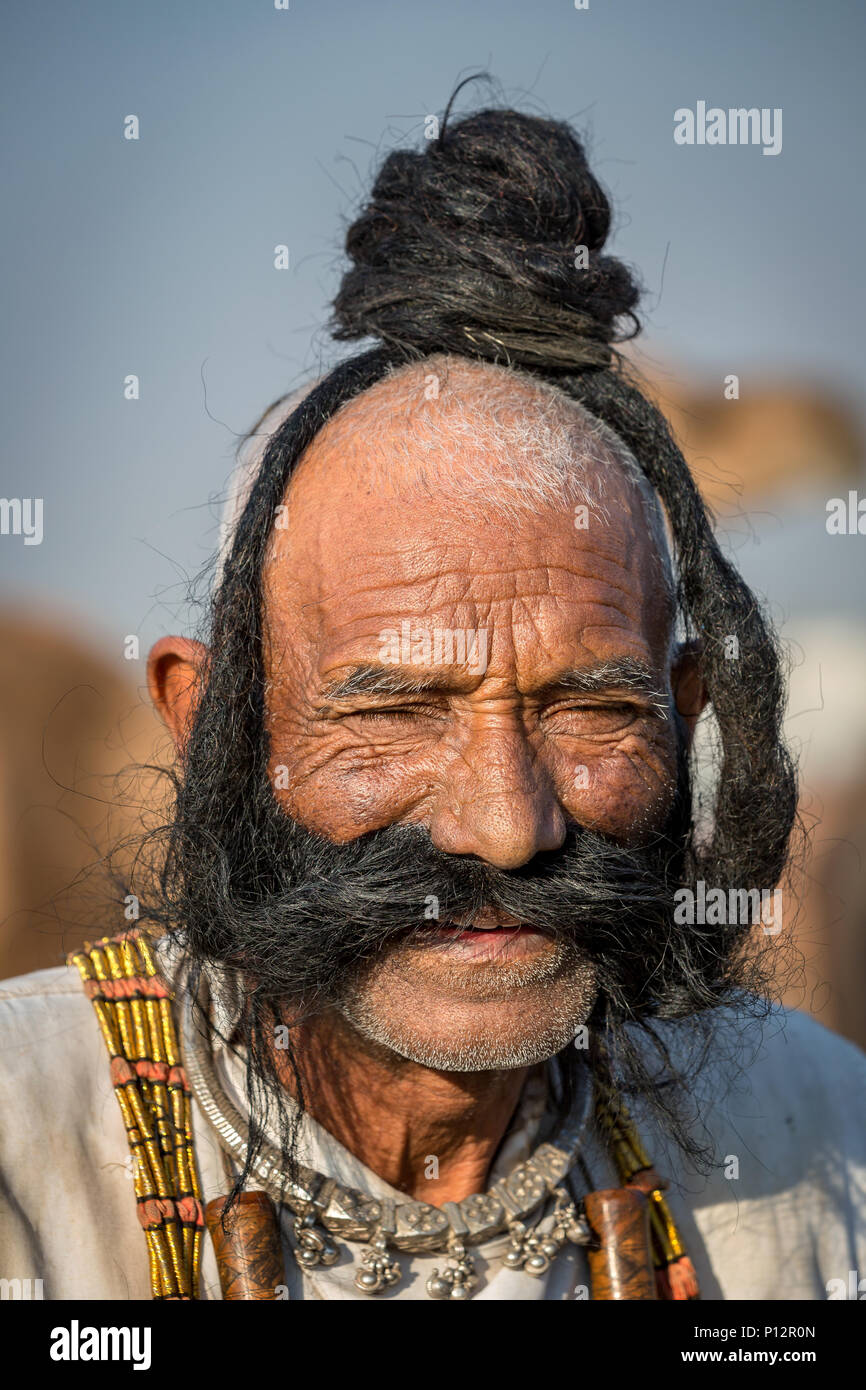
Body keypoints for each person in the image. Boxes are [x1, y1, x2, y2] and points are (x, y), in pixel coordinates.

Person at [1, 102, 864, 1303]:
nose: (506, 826)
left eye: (587, 709)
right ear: (213, 729)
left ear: (680, 715)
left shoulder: (819, 1143)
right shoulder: (25, 1161)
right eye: (396, 710)